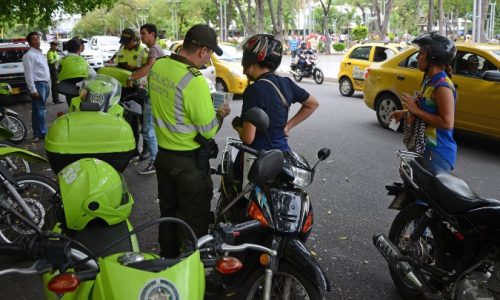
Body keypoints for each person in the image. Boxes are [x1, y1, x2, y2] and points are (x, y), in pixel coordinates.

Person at [148, 24, 230, 258]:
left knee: (169, 215)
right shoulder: (194, 81)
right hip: (189, 165)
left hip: (163, 157)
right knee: (194, 221)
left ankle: (168, 262)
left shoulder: (159, 65)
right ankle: (192, 271)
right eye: (211, 53)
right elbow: (207, 131)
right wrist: (220, 114)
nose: (210, 59)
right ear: (202, 50)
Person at [233, 34, 319, 153]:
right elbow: (312, 104)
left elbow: (248, 138)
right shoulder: (286, 83)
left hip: (259, 159)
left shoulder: (254, 91)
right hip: (282, 154)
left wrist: (237, 126)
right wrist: (288, 126)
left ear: (250, 61)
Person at [390, 32, 457, 172]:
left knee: (422, 193)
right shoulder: (430, 81)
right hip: (425, 148)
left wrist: (416, 110)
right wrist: (404, 113)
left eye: (421, 54)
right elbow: (426, 111)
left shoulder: (442, 87)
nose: (418, 57)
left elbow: (447, 123)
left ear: (433, 58)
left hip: (437, 153)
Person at [127, 24, 165, 175]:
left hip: (152, 95)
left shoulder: (154, 50)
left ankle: (155, 162)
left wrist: (132, 77)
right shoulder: (153, 50)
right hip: (153, 93)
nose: (141, 37)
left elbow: (149, 67)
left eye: (143, 33)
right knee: (151, 129)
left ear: (152, 34)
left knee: (148, 130)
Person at [113, 28, 149, 160]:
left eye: (128, 42)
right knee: (129, 119)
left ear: (135, 40)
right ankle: (133, 149)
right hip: (124, 89)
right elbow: (115, 64)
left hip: (139, 88)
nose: (125, 44)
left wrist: (133, 69)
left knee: (144, 119)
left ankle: (147, 149)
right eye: (124, 42)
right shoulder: (121, 49)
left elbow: (149, 68)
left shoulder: (143, 51)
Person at [22, 32, 51, 142]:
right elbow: (28, 74)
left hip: (44, 84)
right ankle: (42, 133)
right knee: (40, 110)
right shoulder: (29, 55)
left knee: (38, 110)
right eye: (34, 39)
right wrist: (33, 90)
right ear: (29, 42)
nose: (37, 40)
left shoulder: (39, 53)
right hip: (38, 85)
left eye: (38, 38)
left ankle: (37, 133)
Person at [58, 38, 96, 105]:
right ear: (80, 48)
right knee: (80, 107)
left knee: (71, 105)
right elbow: (93, 74)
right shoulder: (82, 61)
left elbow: (58, 70)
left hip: (67, 89)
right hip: (81, 90)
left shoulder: (62, 60)